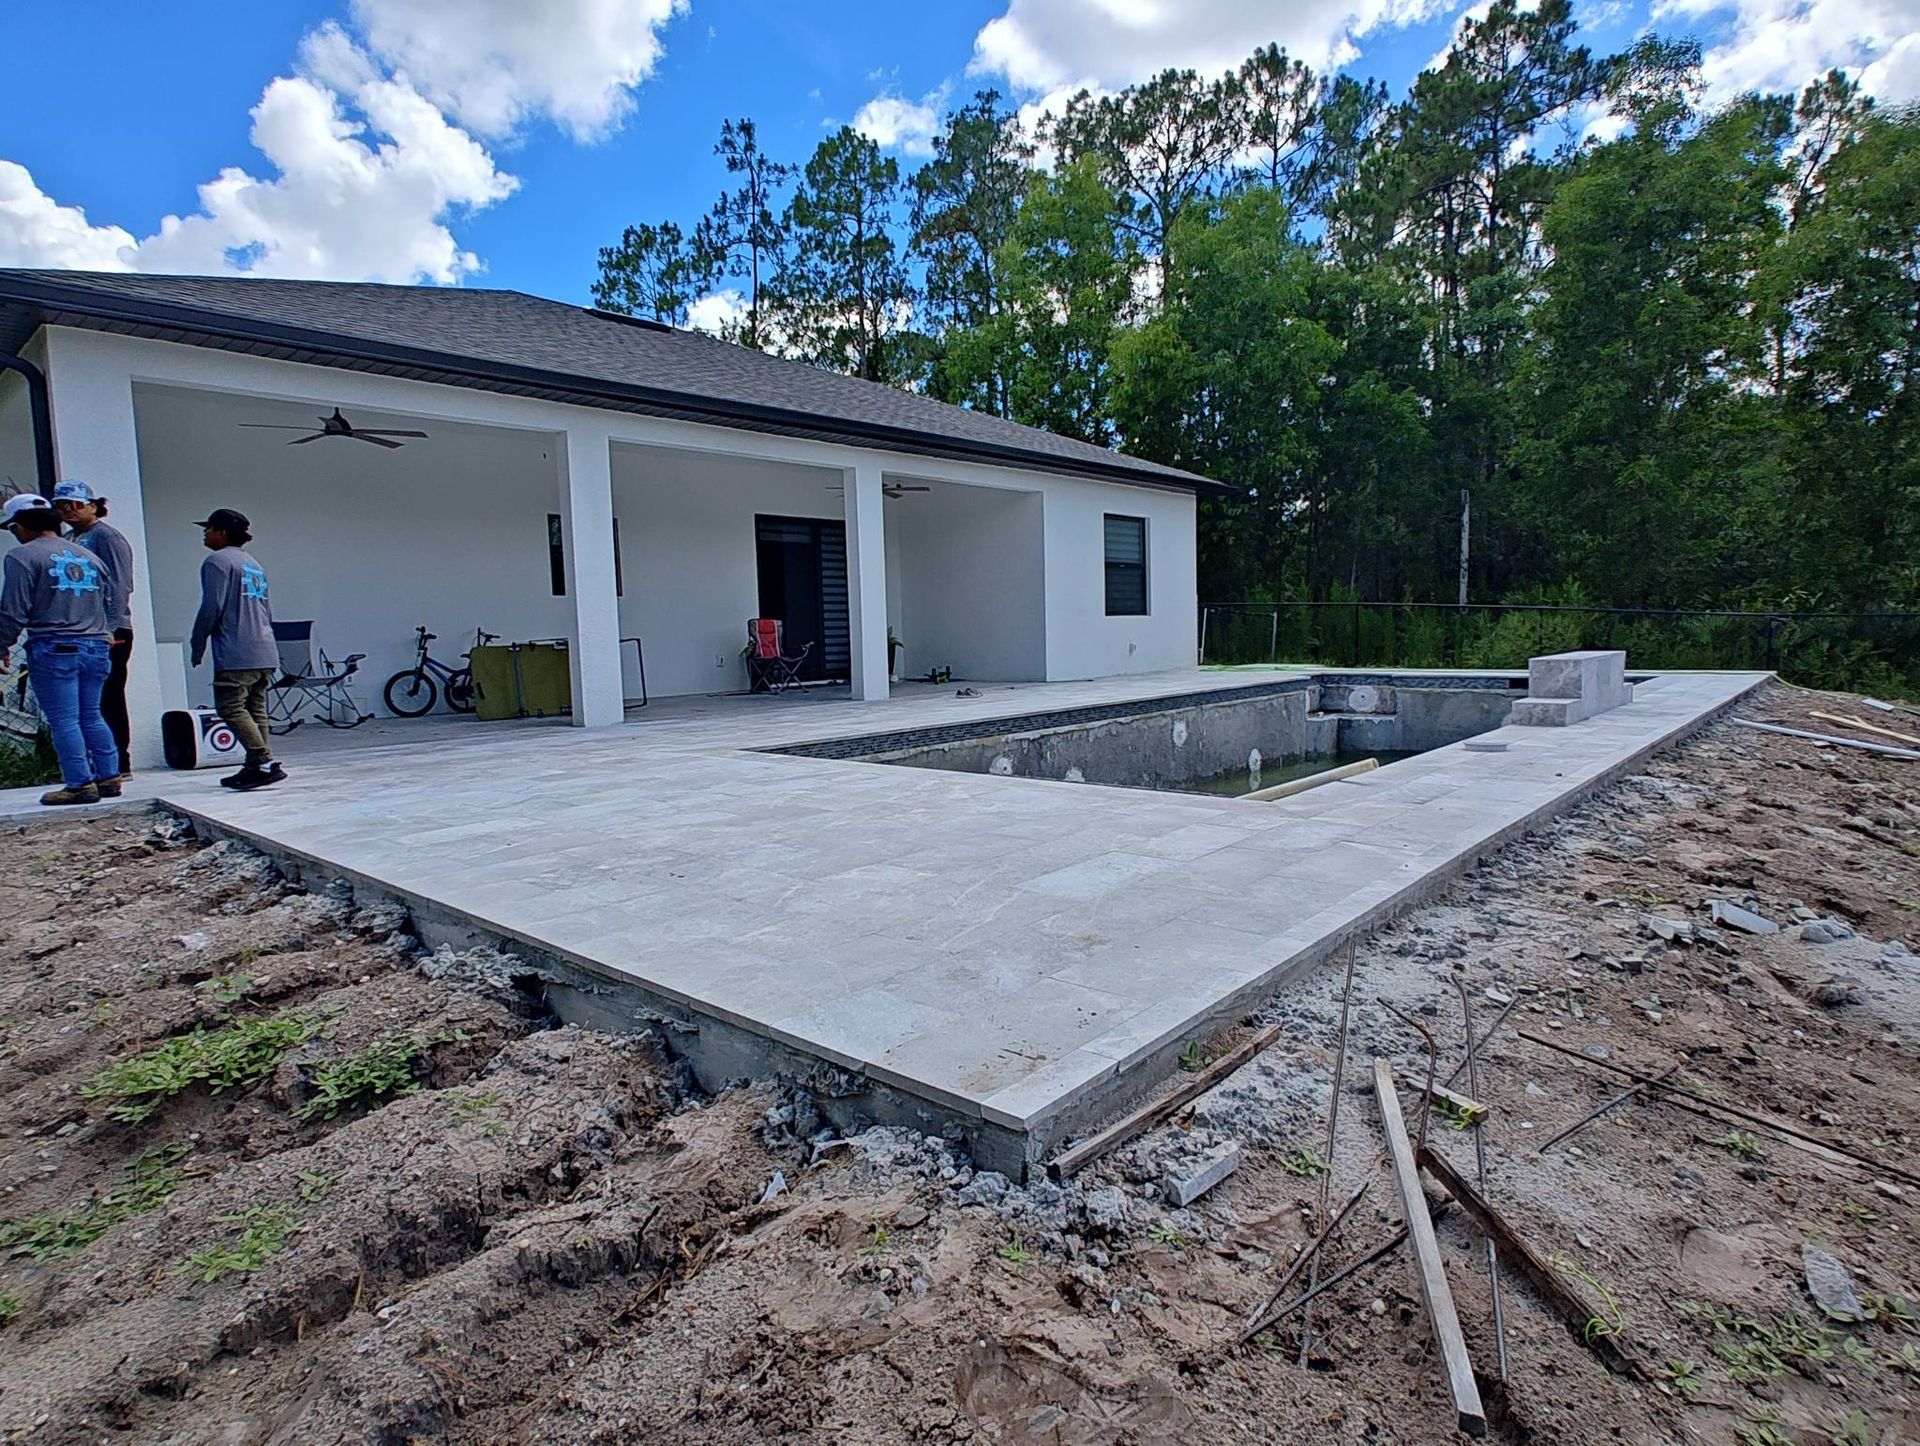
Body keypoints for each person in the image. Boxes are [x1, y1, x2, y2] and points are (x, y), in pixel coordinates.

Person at [0, 493, 121, 805]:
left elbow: (14, 610)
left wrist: (2, 644)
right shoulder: (89, 558)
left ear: (19, 526)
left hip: (55, 647)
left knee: (64, 718)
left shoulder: (22, 557)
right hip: (95, 646)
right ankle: (109, 776)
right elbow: (111, 601)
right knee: (91, 713)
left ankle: (79, 783)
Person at [189, 507, 285, 791]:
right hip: (264, 647)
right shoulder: (253, 564)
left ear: (222, 532)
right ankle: (256, 766)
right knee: (256, 707)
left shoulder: (217, 561)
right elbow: (267, 609)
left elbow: (212, 607)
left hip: (236, 649)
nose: (205, 534)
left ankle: (262, 759)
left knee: (230, 706)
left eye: (208, 529)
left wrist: (198, 642)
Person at [51, 481, 135, 781]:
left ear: (92, 505)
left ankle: (120, 762)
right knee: (89, 701)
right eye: (61, 507)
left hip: (110, 628)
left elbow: (121, 585)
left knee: (109, 696)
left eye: (74, 505)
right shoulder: (73, 537)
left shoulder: (107, 537)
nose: (68, 512)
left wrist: (110, 628)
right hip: (84, 628)